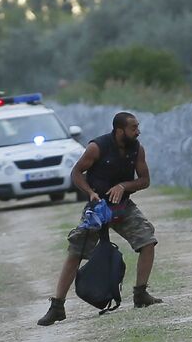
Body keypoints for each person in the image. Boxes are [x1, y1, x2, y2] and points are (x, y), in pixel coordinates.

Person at [37, 112, 162, 326]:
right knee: (76, 251)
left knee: (148, 241)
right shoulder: (97, 147)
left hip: (122, 207)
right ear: (119, 130)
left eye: (138, 127)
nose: (138, 131)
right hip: (98, 209)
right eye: (133, 128)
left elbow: (144, 180)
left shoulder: (137, 149)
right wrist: (90, 192)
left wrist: (124, 186)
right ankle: (57, 306)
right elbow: (76, 173)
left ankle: (140, 294)